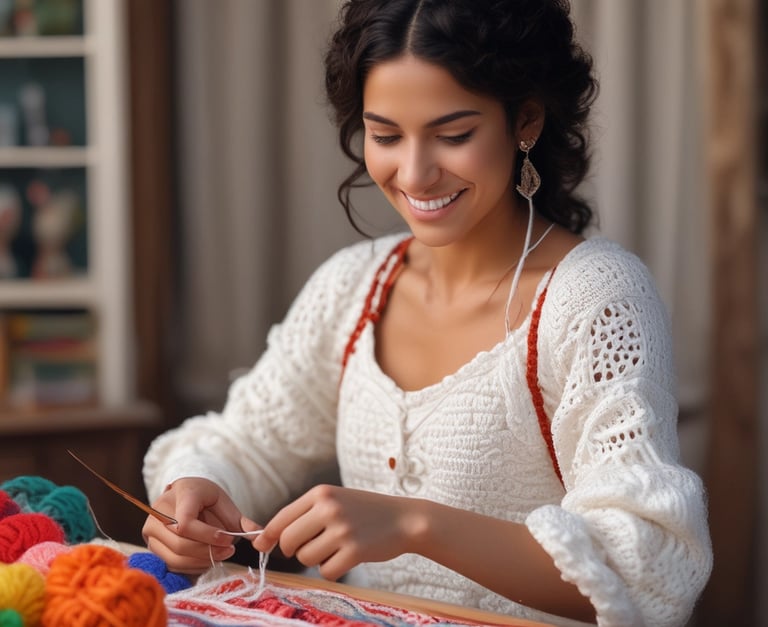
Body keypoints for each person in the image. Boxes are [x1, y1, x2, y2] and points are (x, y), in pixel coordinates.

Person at [142, 1, 713, 625]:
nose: (413, 172)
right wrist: (192, 492)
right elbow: (244, 442)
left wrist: (415, 524)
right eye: (385, 135)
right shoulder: (356, 284)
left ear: (525, 120)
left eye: (453, 134)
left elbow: (648, 567)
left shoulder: (597, 299)